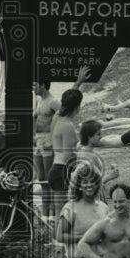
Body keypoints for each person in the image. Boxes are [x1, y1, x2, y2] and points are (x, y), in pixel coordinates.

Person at [50, 89, 83, 222]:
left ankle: (56, 240)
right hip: (63, 170)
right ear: (77, 107)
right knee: (64, 212)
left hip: (56, 168)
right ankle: (59, 240)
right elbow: (68, 155)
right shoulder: (68, 126)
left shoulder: (57, 118)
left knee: (60, 212)